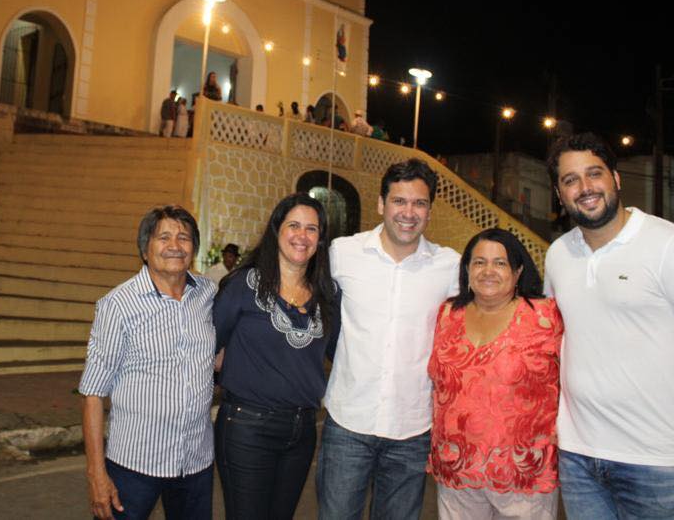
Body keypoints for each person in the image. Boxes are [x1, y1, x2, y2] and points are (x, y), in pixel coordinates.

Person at [544, 133, 674, 519]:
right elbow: (559, 343)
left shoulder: (671, 245)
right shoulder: (558, 255)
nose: (585, 187)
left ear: (616, 179)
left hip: (655, 461)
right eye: (571, 180)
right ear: (558, 193)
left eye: (594, 173)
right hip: (578, 457)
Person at [317, 159, 460, 519]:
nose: (408, 213)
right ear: (381, 204)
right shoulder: (343, 253)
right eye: (399, 201)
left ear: (430, 210)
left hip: (412, 430)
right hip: (348, 422)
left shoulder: (449, 267)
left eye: (419, 203)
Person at [79, 206, 217, 520]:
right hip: (135, 464)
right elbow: (92, 393)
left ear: (193, 249)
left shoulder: (207, 294)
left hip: (195, 462)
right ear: (145, 250)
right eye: (163, 237)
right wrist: (96, 474)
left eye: (184, 237)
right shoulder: (118, 305)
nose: (175, 245)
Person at [214, 193, 340, 519]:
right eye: (293, 225)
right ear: (277, 230)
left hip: (302, 430)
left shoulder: (327, 295)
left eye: (312, 229)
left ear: (320, 239)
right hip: (246, 427)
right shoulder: (244, 285)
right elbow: (209, 346)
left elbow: (342, 352)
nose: (302, 236)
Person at [429, 228, 563, 519]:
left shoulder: (545, 316)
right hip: (457, 471)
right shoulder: (448, 315)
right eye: (479, 262)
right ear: (467, 269)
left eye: (500, 263)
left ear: (518, 271)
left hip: (523, 475)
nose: (488, 271)